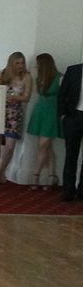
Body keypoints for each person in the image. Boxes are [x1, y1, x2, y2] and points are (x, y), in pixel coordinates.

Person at [0, 52, 33, 184]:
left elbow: (26, 97)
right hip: (0, 111)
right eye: (17, 63)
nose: (21, 65)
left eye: (22, 63)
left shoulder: (26, 76)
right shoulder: (1, 74)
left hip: (14, 113)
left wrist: (15, 98)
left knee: (10, 145)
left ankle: (3, 169)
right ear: (11, 63)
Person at [26, 53, 62, 190]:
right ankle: (52, 175)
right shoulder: (39, 78)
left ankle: (36, 175)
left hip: (52, 113)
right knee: (48, 146)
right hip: (41, 110)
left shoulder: (59, 78)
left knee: (43, 144)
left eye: (38, 64)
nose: (36, 66)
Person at [58, 58, 83, 201]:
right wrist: (63, 115)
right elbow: (62, 94)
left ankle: (82, 191)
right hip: (74, 116)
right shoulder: (73, 70)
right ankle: (68, 190)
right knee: (70, 155)